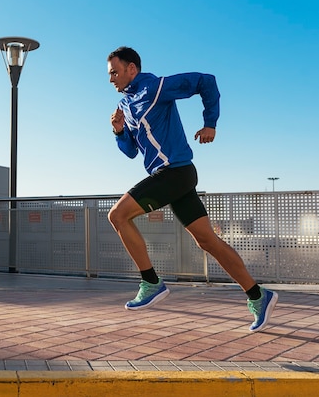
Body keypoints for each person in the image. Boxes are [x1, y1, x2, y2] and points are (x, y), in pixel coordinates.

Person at [106, 46, 277, 333]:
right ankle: (259, 296)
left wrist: (210, 123)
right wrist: (119, 131)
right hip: (172, 178)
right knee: (207, 241)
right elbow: (132, 153)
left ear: (131, 69)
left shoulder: (155, 87)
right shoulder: (126, 105)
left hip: (175, 172)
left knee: (118, 216)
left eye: (114, 72)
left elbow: (205, 81)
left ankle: (151, 283)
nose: (110, 79)